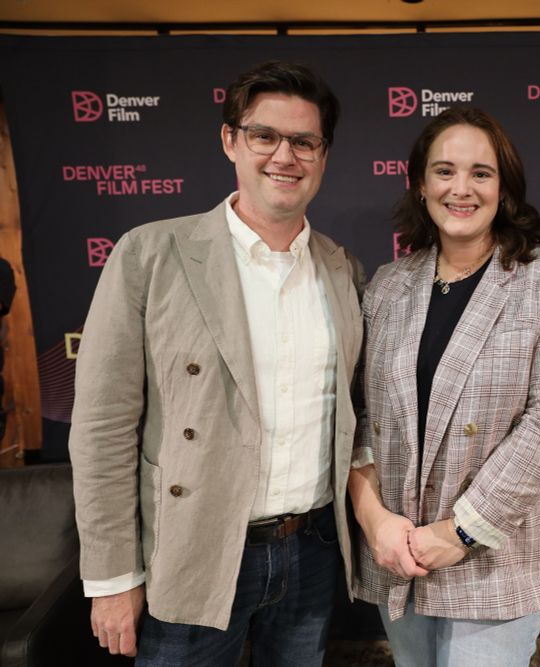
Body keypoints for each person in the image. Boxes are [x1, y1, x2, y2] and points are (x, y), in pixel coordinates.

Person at [68, 61, 365, 666]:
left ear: (323, 155)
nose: (285, 156)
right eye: (264, 136)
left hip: (311, 549)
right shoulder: (151, 255)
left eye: (304, 141)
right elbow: (101, 430)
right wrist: (111, 578)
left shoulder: (342, 269)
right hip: (191, 551)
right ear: (230, 140)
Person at [348, 106, 540, 666]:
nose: (461, 188)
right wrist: (374, 520)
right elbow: (358, 414)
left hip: (492, 563)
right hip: (398, 559)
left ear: (503, 188)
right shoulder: (387, 286)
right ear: (420, 184)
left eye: (480, 173)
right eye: (444, 171)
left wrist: (460, 532)